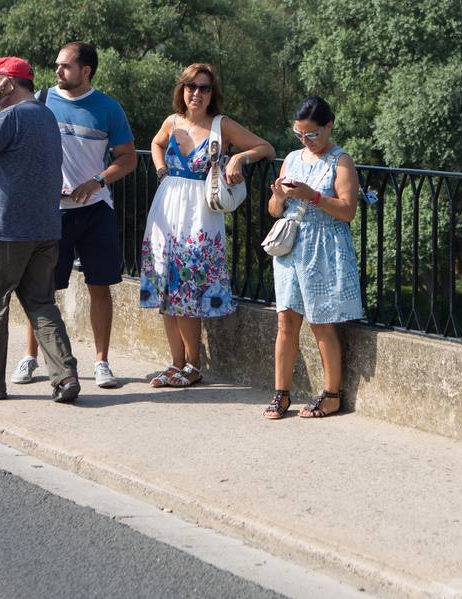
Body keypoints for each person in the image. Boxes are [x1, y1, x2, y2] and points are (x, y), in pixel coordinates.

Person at [0, 56, 80, 403]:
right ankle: (65, 376)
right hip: (44, 228)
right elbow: (25, 169)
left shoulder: (9, 117)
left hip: (5, 232)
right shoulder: (46, 117)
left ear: (6, 84)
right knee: (41, 303)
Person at [139, 63, 273, 388]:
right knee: (166, 290)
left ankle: (193, 366)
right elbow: (156, 144)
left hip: (199, 214)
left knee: (188, 288)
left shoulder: (220, 125)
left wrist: (238, 158)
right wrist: (161, 171)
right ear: (181, 90)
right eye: (191, 86)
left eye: (204, 88)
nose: (196, 93)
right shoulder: (172, 122)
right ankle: (175, 363)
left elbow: (265, 147)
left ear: (213, 94)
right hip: (166, 208)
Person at [11, 42, 135, 391]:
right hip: (51, 213)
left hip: (96, 211)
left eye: (65, 66)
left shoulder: (109, 108)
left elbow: (127, 158)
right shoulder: (40, 100)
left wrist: (96, 181)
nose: (58, 71)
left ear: (86, 71)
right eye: (57, 65)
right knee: (42, 290)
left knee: (100, 286)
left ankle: (101, 362)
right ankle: (32, 356)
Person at [263, 96, 363, 419]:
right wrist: (278, 196)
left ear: (328, 126)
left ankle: (331, 395)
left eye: (312, 134)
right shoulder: (292, 159)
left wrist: (313, 195)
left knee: (321, 322)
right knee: (285, 321)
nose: (306, 140)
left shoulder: (341, 161)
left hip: (324, 246)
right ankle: (281, 394)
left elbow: (347, 211)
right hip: (292, 247)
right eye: (300, 134)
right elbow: (274, 210)